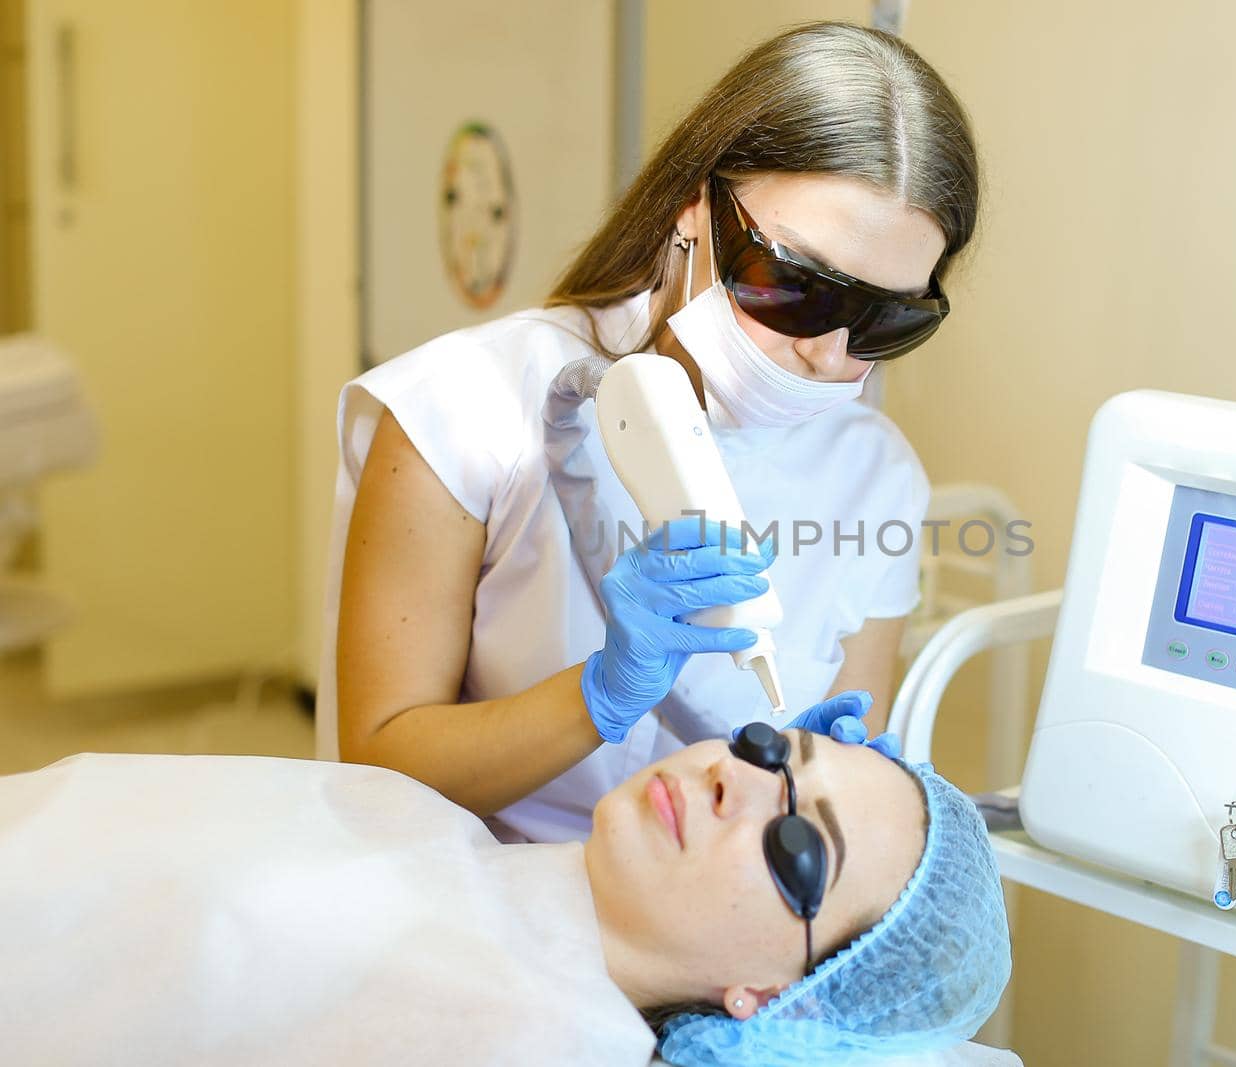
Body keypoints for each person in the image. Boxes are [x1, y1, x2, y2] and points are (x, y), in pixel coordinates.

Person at [319, 20, 979, 843]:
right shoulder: (465, 406)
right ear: (695, 207)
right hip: (476, 914)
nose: (827, 352)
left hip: (714, 940)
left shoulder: (876, 474)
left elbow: (826, 801)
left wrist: (835, 793)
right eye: (795, 285)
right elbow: (378, 757)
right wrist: (598, 692)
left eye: (886, 319)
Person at [0, 731, 1010, 1065]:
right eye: (770, 747)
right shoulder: (446, 840)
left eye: (798, 843)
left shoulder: (527, 1032)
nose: (734, 779)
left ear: (777, 997)